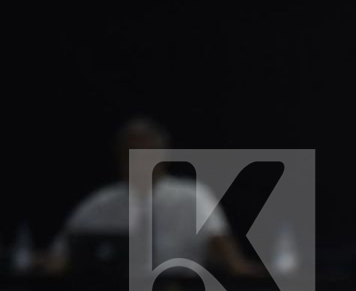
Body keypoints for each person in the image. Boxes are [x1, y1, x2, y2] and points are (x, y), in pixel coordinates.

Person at [44, 117, 258, 277]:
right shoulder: (100, 203)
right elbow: (59, 257)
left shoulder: (193, 197)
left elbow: (227, 254)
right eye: (129, 153)